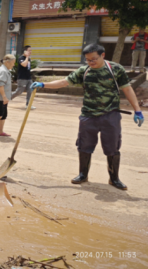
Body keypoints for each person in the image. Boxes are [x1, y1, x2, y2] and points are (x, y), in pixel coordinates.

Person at [31, 44, 144, 190]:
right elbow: (64, 82)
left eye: (94, 59)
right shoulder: (83, 71)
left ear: (103, 55)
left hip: (111, 115)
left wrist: (137, 110)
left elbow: (127, 89)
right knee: (84, 146)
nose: (91, 62)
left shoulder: (115, 69)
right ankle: (83, 174)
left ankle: (114, 178)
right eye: (88, 60)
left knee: (112, 148)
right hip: (88, 115)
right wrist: (43, 84)